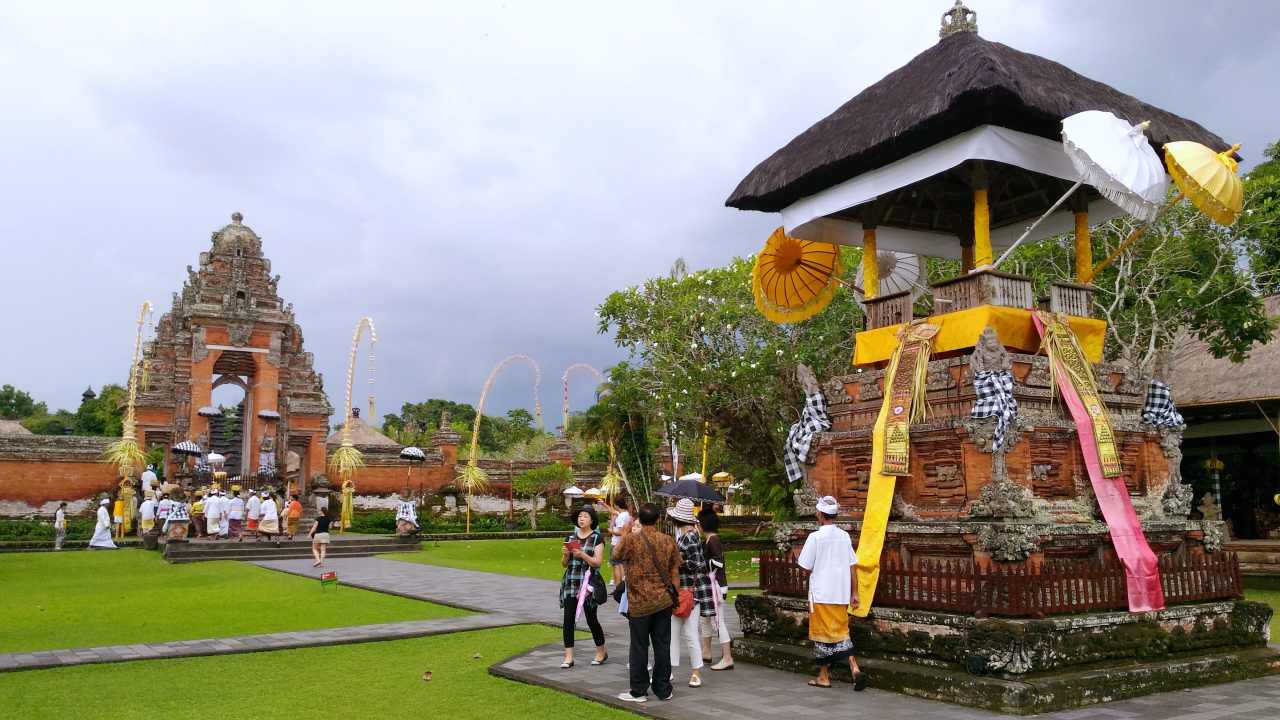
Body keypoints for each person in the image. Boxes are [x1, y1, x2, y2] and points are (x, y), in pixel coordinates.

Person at [611, 502, 680, 704]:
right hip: (663, 601)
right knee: (662, 645)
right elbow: (675, 570)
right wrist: (675, 595)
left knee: (639, 646)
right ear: (658, 519)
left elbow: (615, 556)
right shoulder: (667, 541)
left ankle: (639, 690)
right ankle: (663, 688)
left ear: (638, 519)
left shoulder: (630, 540)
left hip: (639, 602)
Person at [796, 496, 865, 691]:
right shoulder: (844, 537)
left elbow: (806, 567)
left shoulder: (815, 537)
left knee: (822, 636)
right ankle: (851, 667)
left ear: (819, 514)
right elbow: (853, 567)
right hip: (841, 594)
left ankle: (827, 675)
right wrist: (855, 593)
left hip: (821, 594)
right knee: (841, 632)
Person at [667, 498, 711, 688]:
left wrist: (678, 561)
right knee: (674, 633)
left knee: (689, 633)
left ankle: (695, 672)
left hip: (689, 592)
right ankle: (668, 670)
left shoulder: (690, 537)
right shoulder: (685, 535)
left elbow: (699, 565)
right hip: (682, 591)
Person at [559, 506, 608, 669]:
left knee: (591, 618)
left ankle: (601, 651)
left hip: (588, 584)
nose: (581, 519)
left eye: (585, 516)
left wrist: (583, 555)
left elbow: (598, 562)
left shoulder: (597, 538)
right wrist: (566, 555)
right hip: (571, 582)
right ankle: (568, 657)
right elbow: (564, 564)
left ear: (592, 520)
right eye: (580, 516)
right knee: (568, 619)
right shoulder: (570, 537)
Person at [697, 507, 734, 671]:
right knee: (705, 619)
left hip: (716, 586)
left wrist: (704, 564)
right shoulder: (709, 539)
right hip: (710, 586)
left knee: (719, 622)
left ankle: (727, 657)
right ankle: (706, 652)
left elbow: (718, 562)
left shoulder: (713, 540)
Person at [607, 500, 633, 587]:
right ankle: (621, 587)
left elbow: (621, 532)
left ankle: (619, 587)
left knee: (616, 564)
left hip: (617, 543)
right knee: (621, 564)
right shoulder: (626, 515)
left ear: (617, 505)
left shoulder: (621, 516)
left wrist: (611, 529)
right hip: (624, 542)